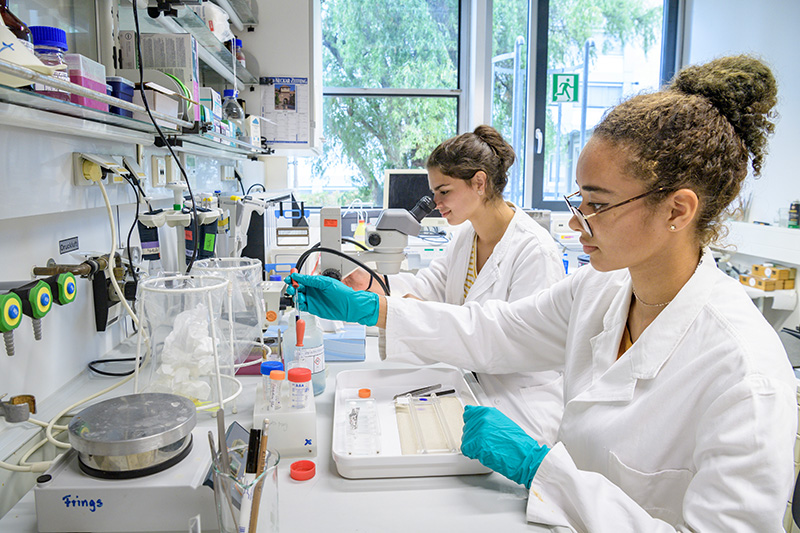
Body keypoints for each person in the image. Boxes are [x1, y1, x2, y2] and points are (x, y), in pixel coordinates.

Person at [287, 55, 797, 530]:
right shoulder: (600, 289)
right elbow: (497, 328)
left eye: (596, 203)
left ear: (677, 211)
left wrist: (544, 473)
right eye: (579, 198)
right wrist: (375, 308)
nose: (577, 222)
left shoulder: (745, 377)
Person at [343, 125, 565, 444]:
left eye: (444, 191)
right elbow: (431, 285)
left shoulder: (535, 253)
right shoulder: (466, 236)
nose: (435, 202)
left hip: (518, 406)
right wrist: (376, 284)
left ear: (479, 182)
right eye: (434, 192)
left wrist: (391, 310)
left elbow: (504, 342)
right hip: (470, 384)